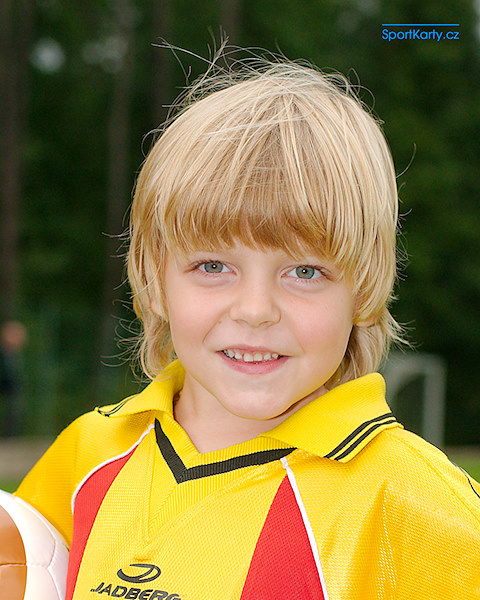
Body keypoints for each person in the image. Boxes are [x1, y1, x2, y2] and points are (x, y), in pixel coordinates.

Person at [14, 53, 480, 599]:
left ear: (364, 288)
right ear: (153, 277)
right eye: (213, 266)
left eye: (304, 272)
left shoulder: (417, 508)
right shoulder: (88, 455)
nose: (255, 310)